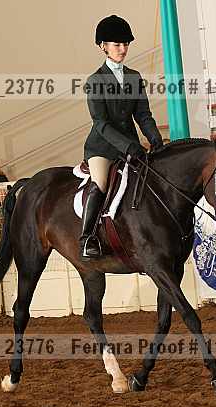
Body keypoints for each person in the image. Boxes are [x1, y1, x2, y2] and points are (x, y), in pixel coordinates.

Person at [81, 15, 163, 260]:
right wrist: (128, 145)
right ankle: (87, 238)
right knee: (100, 183)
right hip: (102, 148)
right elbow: (101, 123)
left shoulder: (134, 77)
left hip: (131, 146)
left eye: (125, 44)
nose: (123, 49)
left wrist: (155, 138)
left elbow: (143, 114)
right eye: (117, 44)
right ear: (103, 46)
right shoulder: (95, 80)